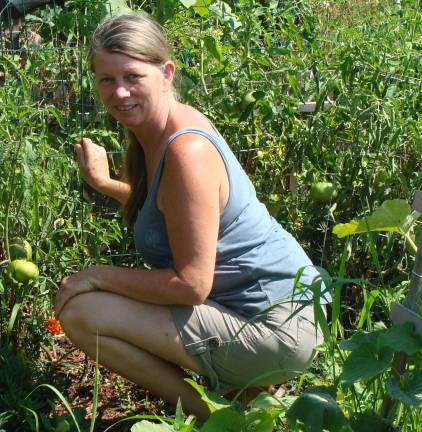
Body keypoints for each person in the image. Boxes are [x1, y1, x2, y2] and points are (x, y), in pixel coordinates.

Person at [55, 14, 329, 421]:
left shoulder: (186, 153)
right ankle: (242, 392)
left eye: (132, 75)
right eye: (106, 80)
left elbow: (191, 284)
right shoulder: (164, 125)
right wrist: (104, 183)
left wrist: (96, 274)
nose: (120, 92)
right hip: (280, 308)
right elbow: (179, 211)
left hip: (279, 328)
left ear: (166, 73)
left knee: (81, 313)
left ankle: (222, 416)